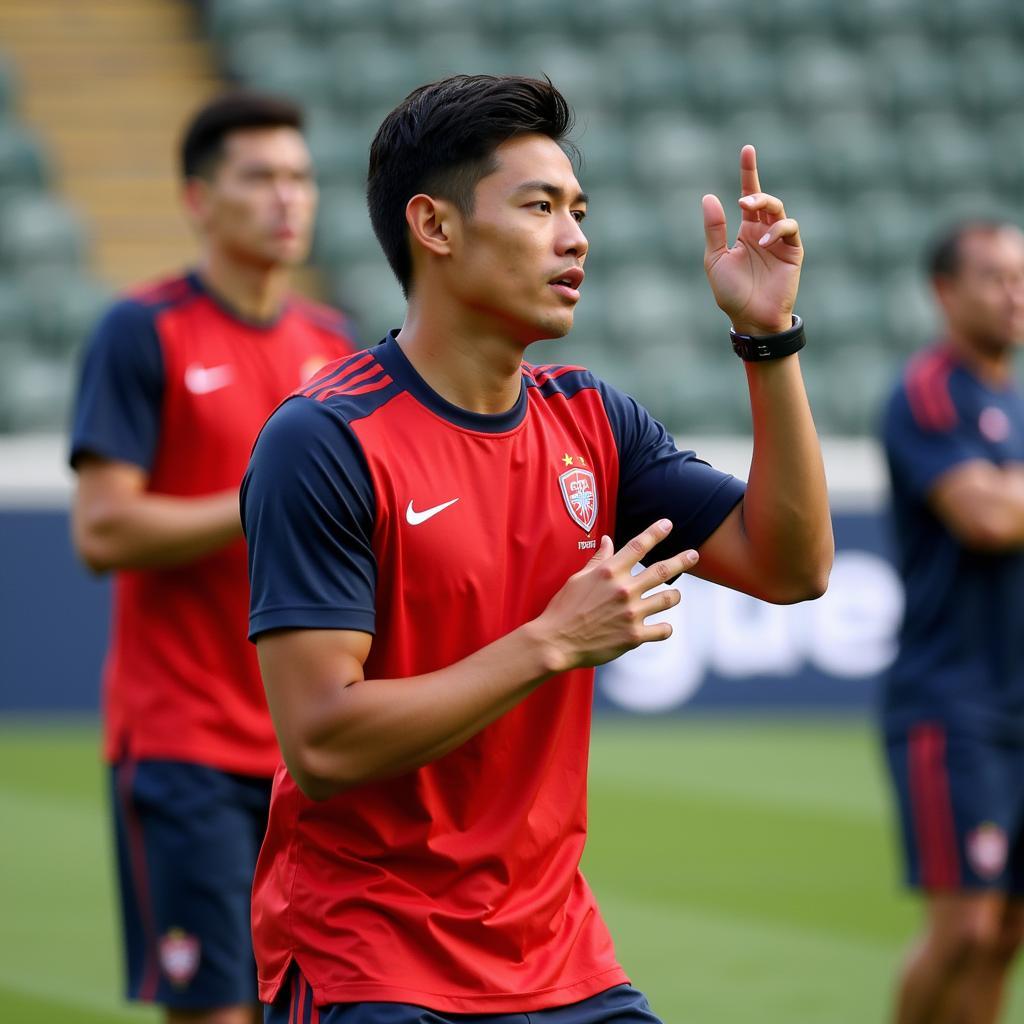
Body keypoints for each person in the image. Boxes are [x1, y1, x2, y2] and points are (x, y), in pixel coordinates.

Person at [242, 75, 832, 1023]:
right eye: (540, 206)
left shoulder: (593, 416)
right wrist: (551, 641)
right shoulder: (326, 439)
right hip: (372, 960)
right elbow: (321, 742)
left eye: (580, 209)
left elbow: (791, 566)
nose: (576, 237)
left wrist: (767, 338)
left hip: (560, 959)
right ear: (434, 227)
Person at [68, 91, 355, 1024]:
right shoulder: (142, 331)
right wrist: (255, 499)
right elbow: (101, 531)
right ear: (199, 198)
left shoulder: (333, 345)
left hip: (309, 747)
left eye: (301, 177)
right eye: (261, 177)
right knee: (218, 1012)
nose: (288, 199)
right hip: (184, 743)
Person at [881, 221, 1024, 1024]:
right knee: (964, 926)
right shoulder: (926, 392)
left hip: (1019, 698)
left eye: (1022, 276)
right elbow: (987, 518)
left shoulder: (1015, 399)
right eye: (995, 277)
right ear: (945, 291)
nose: (1015, 293)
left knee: (1006, 931)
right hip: (954, 704)